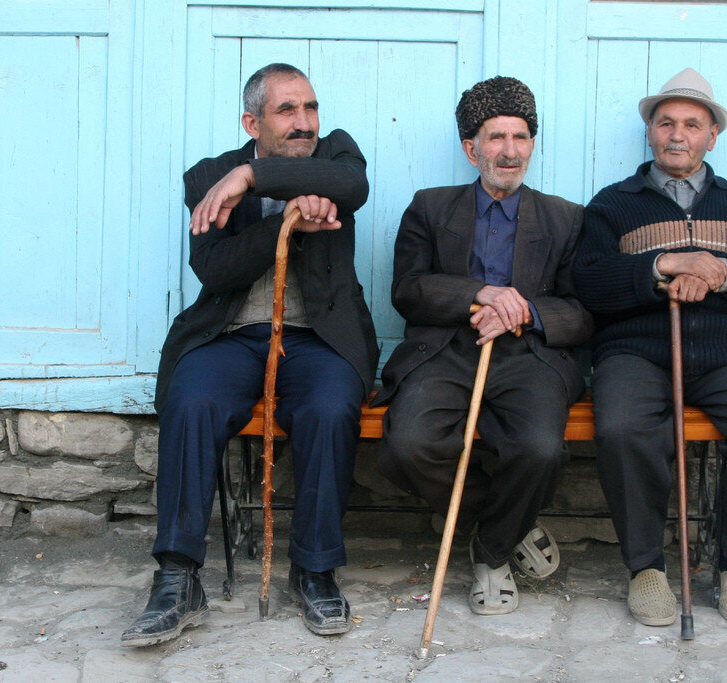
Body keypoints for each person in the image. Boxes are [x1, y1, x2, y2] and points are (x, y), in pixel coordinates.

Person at [122, 63, 378, 645]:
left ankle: (314, 570)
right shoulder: (207, 177)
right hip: (231, 335)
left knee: (330, 408)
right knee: (191, 401)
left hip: (318, 339)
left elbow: (352, 188)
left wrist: (251, 176)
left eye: (310, 107)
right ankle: (177, 576)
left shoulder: (337, 157)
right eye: (287, 110)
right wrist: (285, 221)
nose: (304, 122)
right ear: (252, 122)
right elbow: (215, 269)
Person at [573, 67, 727, 627]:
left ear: (712, 137)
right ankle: (646, 568)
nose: (678, 135)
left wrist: (721, 272)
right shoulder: (612, 205)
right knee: (622, 431)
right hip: (637, 351)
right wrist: (663, 266)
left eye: (692, 125)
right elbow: (589, 280)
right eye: (666, 123)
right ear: (650, 132)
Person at [375, 76, 593, 615]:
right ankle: (505, 521)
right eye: (496, 138)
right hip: (446, 350)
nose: (510, 151)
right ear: (472, 150)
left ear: (532, 145)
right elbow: (408, 290)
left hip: (529, 355)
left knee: (540, 450)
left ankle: (491, 554)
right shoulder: (430, 208)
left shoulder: (566, 217)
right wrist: (481, 294)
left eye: (521, 137)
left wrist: (526, 311)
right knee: (408, 445)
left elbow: (584, 310)